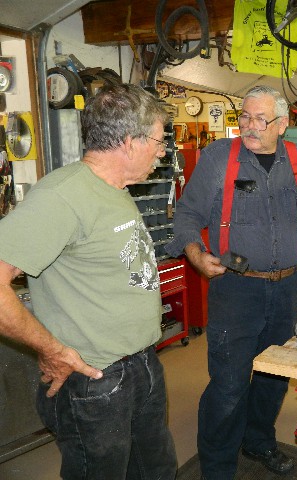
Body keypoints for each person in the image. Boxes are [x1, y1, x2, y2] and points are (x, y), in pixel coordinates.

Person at [0, 83, 178, 479]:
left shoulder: (115, 189)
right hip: (94, 381)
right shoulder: (63, 195)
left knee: (157, 470)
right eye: (157, 141)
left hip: (141, 364)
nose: (161, 151)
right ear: (130, 143)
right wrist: (52, 351)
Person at [165, 85, 297, 480]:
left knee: (273, 377)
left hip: (286, 289)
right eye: (244, 116)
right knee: (228, 385)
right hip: (235, 289)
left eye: (259, 119)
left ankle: (259, 441)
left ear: (282, 124)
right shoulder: (218, 159)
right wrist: (196, 255)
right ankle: (217, 468)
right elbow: (186, 217)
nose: (248, 125)